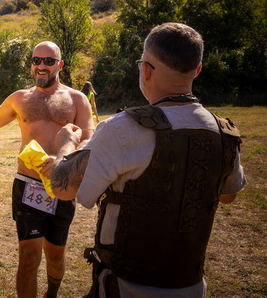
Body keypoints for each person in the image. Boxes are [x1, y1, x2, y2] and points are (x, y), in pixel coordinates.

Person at [51, 23, 246, 298]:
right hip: (191, 287)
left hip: (125, 288)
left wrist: (66, 144)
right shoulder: (224, 132)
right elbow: (228, 195)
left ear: (145, 70)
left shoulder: (122, 129)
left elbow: (63, 188)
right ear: (197, 70)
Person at [0, 41, 95, 298]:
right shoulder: (19, 98)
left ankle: (52, 292)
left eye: (48, 61)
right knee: (28, 257)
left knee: (55, 255)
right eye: (36, 60)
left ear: (60, 64)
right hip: (27, 185)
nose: (41, 66)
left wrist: (64, 156)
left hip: (62, 185)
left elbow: (89, 139)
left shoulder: (76, 99)